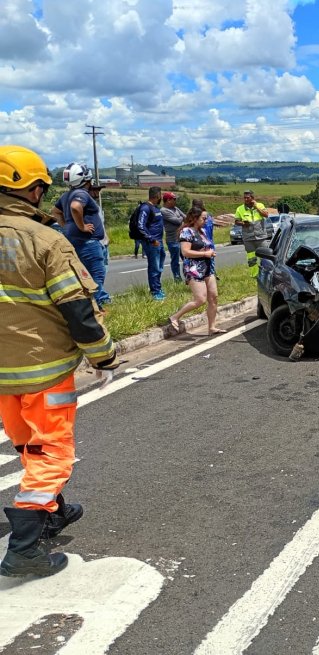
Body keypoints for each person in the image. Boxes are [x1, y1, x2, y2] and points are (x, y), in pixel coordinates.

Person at [0, 145, 118, 578]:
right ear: (31, 190)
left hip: (2, 378)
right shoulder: (45, 240)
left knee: (29, 445)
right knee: (52, 453)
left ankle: (53, 510)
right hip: (43, 370)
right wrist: (104, 356)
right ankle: (24, 549)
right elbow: (77, 309)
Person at [51, 163, 111, 309]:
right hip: (89, 243)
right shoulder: (81, 194)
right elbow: (76, 207)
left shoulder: (66, 195)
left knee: (83, 277)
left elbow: (55, 211)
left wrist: (67, 226)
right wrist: (82, 226)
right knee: (95, 277)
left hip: (76, 242)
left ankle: (89, 307)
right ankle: (95, 310)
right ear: (86, 179)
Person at [168, 207, 223, 334]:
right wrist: (204, 254)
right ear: (194, 218)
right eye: (203, 218)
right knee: (200, 299)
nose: (206, 221)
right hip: (194, 269)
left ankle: (212, 327)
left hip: (207, 268)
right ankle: (175, 317)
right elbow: (185, 252)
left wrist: (209, 253)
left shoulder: (202, 231)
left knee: (213, 297)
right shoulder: (186, 232)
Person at [137, 186, 165, 299]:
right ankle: (155, 292)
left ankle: (158, 287)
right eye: (161, 195)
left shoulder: (155, 208)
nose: (161, 197)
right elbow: (140, 226)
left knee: (159, 266)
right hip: (152, 243)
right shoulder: (145, 208)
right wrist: (151, 239)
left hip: (159, 242)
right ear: (157, 195)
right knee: (154, 267)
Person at [234, 189, 268, 278]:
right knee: (251, 259)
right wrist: (243, 223)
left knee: (265, 257)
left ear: (252, 198)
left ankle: (266, 274)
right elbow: (236, 221)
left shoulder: (260, 205)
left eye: (247, 198)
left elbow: (266, 215)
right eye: (244, 198)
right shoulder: (240, 209)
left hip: (260, 236)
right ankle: (254, 275)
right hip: (248, 238)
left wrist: (256, 206)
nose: (245, 199)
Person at [161, 191, 184, 282]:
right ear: (168, 200)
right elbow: (178, 221)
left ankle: (189, 276)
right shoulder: (164, 211)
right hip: (173, 239)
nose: (175, 201)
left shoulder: (176, 208)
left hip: (181, 238)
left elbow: (186, 217)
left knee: (187, 259)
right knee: (175, 261)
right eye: (174, 199)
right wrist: (181, 220)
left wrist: (181, 219)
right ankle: (177, 279)